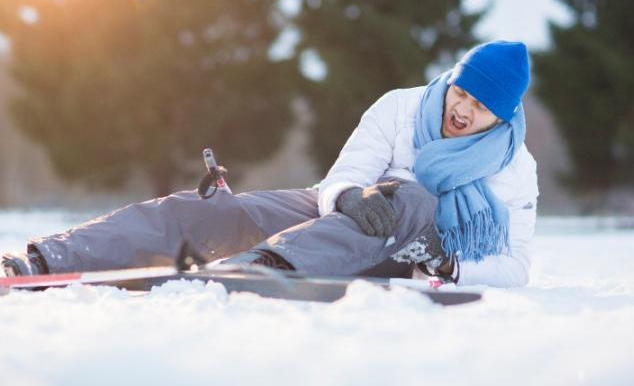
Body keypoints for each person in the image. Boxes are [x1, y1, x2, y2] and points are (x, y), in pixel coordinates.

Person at [2, 40, 539, 287]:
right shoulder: (402, 106)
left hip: (411, 249)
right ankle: (46, 260)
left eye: (482, 106)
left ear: (504, 114)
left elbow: (516, 266)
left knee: (414, 196)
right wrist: (349, 196)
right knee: (217, 210)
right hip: (338, 219)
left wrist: (450, 266)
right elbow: (345, 175)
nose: (464, 111)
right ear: (452, 79)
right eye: (462, 93)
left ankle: (261, 271)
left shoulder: (516, 171)